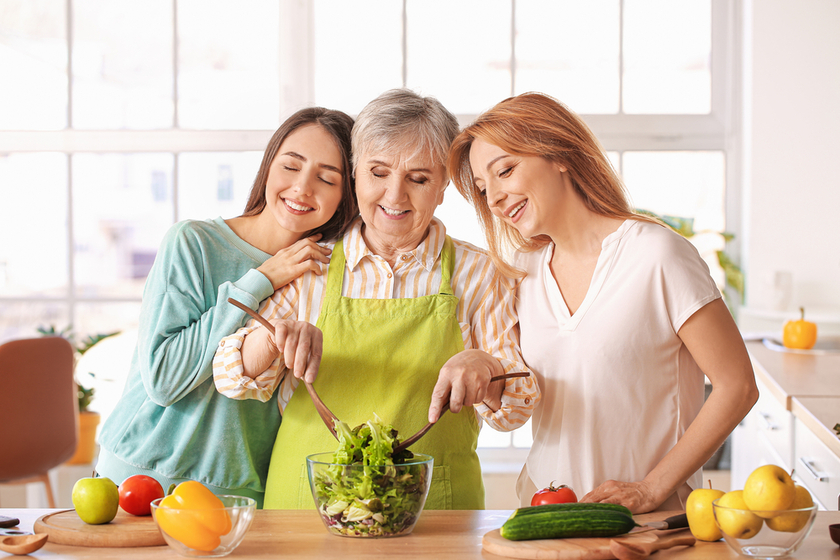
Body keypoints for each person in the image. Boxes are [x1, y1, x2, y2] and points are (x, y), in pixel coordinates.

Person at [213, 88, 540, 510]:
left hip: (433, 511)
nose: (394, 196)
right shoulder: (310, 264)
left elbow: (516, 406)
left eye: (419, 179)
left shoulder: (479, 274)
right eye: (378, 173)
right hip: (306, 507)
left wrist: (488, 367)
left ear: (445, 186)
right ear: (354, 173)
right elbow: (230, 377)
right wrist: (273, 339)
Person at [447, 92, 758, 513]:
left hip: (650, 520)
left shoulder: (657, 255)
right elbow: (516, 393)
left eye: (505, 170)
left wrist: (650, 489)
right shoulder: (522, 272)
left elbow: (737, 386)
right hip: (545, 510)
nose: (496, 198)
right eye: (484, 190)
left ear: (558, 154)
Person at [96, 107, 358, 508]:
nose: (303, 188)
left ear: (346, 194)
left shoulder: (331, 272)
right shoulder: (193, 243)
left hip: (236, 495)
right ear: (268, 167)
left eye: (326, 178)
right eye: (290, 166)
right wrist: (262, 279)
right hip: (135, 478)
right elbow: (164, 379)